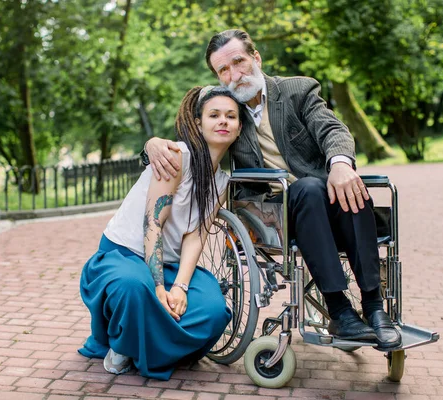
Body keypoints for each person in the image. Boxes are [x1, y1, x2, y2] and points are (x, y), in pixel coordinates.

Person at [143, 29, 402, 351]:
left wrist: (340, 164)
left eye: (239, 62)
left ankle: (376, 309)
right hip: (276, 212)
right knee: (307, 189)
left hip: (330, 201)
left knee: (351, 186)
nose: (234, 75)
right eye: (223, 70)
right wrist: (151, 144)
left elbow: (332, 127)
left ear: (256, 58)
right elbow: (188, 133)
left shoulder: (298, 90)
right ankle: (339, 309)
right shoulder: (228, 112)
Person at [78, 86, 244, 381]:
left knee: (213, 309)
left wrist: (179, 286)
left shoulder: (222, 181)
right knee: (134, 288)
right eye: (214, 115)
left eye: (231, 116)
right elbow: (152, 224)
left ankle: (144, 341)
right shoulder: (176, 158)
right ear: (198, 123)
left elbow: (197, 236)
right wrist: (158, 289)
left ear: (239, 126)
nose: (223, 121)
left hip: (169, 264)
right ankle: (124, 345)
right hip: (125, 254)